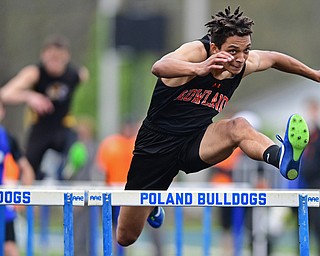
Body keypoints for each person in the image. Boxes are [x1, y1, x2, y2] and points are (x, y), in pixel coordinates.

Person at [116, 6, 318, 247]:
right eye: (233, 51)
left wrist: (314, 74)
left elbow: (273, 58)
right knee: (126, 237)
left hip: (197, 142)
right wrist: (199, 68)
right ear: (214, 48)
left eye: (245, 50)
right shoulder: (195, 52)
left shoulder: (242, 64)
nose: (240, 58)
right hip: (156, 148)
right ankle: (153, 207)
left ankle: (281, 157)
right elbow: (159, 66)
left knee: (238, 126)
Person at [1, 34, 89, 180]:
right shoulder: (34, 73)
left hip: (63, 127)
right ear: (43, 56)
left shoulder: (75, 74)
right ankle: (40, 179)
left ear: (66, 57)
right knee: (29, 168)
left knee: (77, 151)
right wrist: (29, 96)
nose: (54, 63)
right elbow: (4, 94)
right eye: (51, 59)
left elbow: (84, 75)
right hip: (40, 128)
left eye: (58, 59)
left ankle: (65, 174)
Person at [96, 119, 164, 256]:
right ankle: (118, 253)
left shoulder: (138, 141)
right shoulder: (111, 144)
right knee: (119, 230)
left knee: (151, 225)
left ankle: (159, 252)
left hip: (138, 191)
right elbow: (102, 170)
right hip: (116, 192)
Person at [0, 97, 35, 256]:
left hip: (2, 205)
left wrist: (24, 198)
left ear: (3, 112)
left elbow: (27, 169)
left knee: (10, 250)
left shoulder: (6, 138)